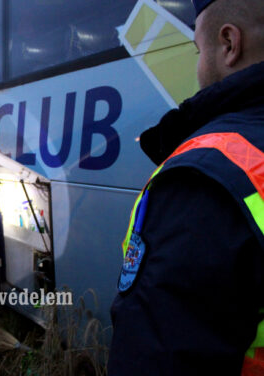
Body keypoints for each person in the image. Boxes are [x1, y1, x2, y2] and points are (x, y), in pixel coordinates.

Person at [109, 0, 264, 375]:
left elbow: (156, 359)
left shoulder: (202, 176)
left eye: (197, 51)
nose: (196, 68)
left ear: (229, 44)